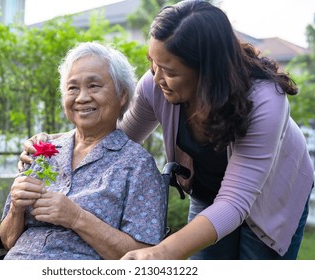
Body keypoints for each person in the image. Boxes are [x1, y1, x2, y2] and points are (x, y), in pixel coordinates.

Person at [19, 0, 314, 260]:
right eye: (152, 63)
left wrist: (163, 251)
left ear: (206, 71)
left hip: (272, 197)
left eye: (170, 71)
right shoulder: (155, 85)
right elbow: (116, 136)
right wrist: (52, 145)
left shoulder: (264, 101)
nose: (156, 77)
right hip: (209, 192)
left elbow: (236, 202)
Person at [0, 42, 167, 260]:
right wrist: (16, 208)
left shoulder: (137, 165)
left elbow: (142, 256)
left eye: (94, 86)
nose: (81, 98)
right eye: (72, 88)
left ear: (122, 95)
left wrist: (76, 217)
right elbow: (7, 241)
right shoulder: (42, 151)